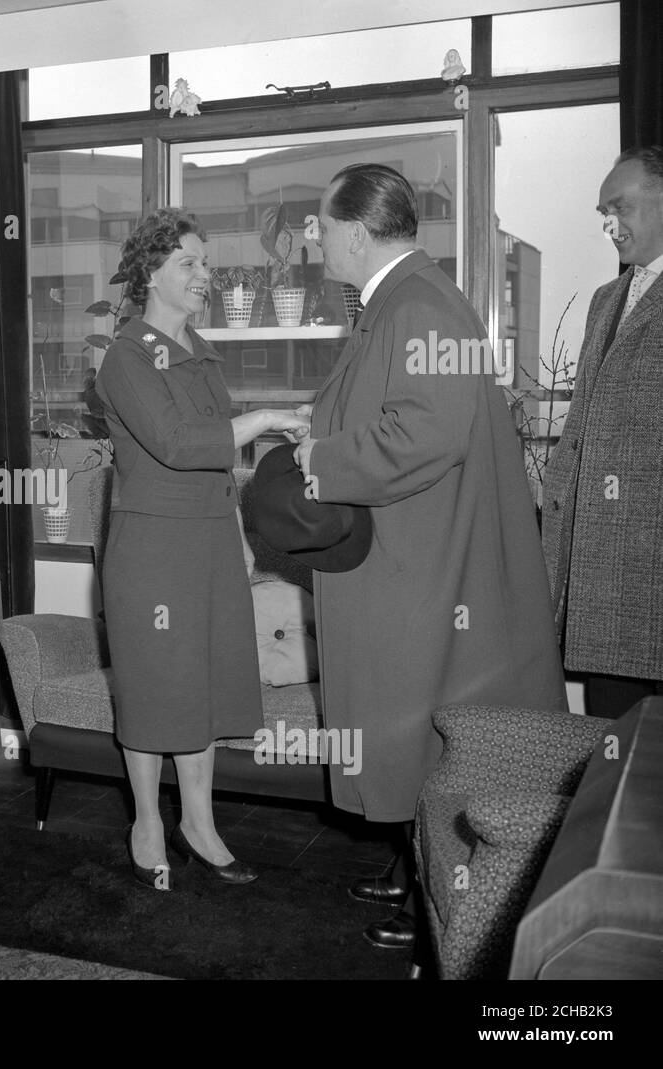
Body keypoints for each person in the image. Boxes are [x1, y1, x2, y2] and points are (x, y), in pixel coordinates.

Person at [295, 163, 566, 951]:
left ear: (352, 231)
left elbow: (425, 434)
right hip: (415, 558)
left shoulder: (417, 306)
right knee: (420, 744)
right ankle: (423, 877)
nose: (318, 244)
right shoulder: (408, 300)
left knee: (428, 745)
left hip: (425, 568)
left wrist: (320, 458)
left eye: (321, 228)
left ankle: (442, 900)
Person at [94, 207, 311, 890]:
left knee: (205, 688)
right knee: (157, 687)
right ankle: (148, 824)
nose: (204, 274)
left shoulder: (201, 351)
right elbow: (180, 444)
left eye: (204, 261)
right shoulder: (126, 355)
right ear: (150, 273)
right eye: (188, 261)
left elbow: (210, 456)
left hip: (210, 542)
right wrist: (268, 417)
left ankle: (199, 822)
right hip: (153, 550)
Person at [542, 147, 663, 719]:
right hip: (604, 581)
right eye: (602, 213)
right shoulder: (605, 300)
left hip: (652, 567)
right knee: (610, 755)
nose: (610, 225)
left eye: (621, 206)